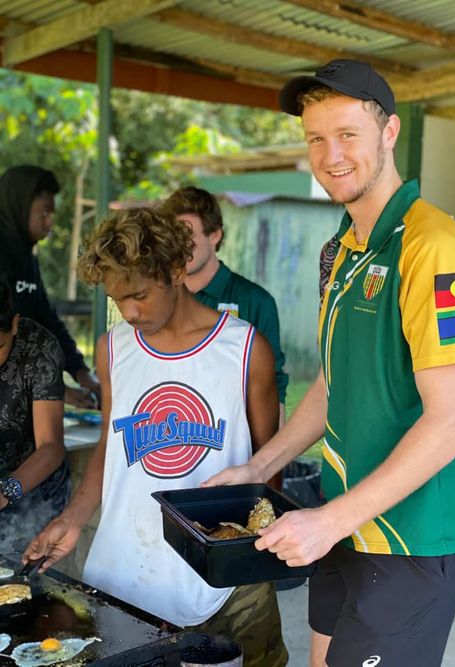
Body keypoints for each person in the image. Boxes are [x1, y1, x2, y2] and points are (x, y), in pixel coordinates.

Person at [203, 59, 455, 667]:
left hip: (412, 532)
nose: (330, 156)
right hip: (343, 513)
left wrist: (330, 521)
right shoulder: (343, 247)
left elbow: (450, 424)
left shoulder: (432, 246)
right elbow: (332, 383)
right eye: (316, 138)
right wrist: (259, 467)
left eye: (347, 134)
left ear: (389, 133)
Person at [23, 207, 288, 667]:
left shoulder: (246, 350)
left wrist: (243, 555)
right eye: (117, 299)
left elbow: (270, 472)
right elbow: (112, 448)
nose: (128, 312)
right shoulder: (113, 348)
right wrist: (72, 518)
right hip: (125, 572)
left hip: (220, 587)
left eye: (139, 295)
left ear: (175, 271)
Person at [162, 186, 288, 424]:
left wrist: (274, 446)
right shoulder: (158, 298)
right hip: (167, 430)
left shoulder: (255, 301)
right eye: (173, 238)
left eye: (188, 236)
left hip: (233, 433)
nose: (179, 247)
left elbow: (274, 384)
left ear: (215, 236)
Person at [0, 165, 100, 408]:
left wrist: (82, 373)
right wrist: (56, 389)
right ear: (20, 205)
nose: (50, 223)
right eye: (44, 212)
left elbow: (46, 321)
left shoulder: (27, 258)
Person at [0, 277, 71, 557]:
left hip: (33, 494)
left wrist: (6, 491)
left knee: (17, 574)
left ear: (14, 323)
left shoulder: (40, 348)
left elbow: (51, 447)